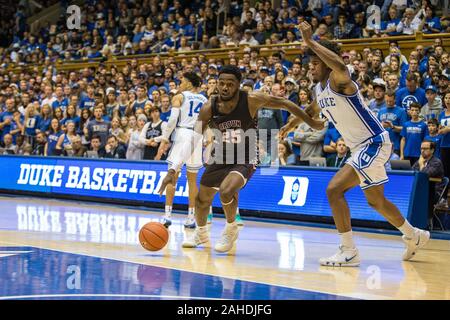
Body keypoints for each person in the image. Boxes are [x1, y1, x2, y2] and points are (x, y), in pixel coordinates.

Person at [281, 22, 430, 267]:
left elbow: (340, 65)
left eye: (316, 62)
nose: (311, 68)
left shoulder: (340, 80)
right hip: (362, 147)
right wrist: (290, 125)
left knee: (334, 190)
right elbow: (310, 109)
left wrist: (310, 42)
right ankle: (414, 235)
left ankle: (348, 250)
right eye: (310, 63)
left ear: (326, 62)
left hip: (372, 142)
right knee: (376, 201)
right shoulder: (320, 90)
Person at [158, 65, 322, 253]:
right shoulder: (208, 108)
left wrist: (308, 122)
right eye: (222, 83)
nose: (225, 88)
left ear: (238, 85)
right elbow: (192, 140)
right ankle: (201, 233)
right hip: (221, 155)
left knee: (227, 191)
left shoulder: (251, 99)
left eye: (230, 84)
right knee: (202, 199)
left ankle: (230, 228)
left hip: (247, 154)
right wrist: (173, 169)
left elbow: (285, 103)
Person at [154, 72, 208, 228]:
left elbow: (171, 121)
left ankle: (168, 215)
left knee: (173, 175)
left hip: (182, 133)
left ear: (189, 83)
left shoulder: (179, 97)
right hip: (197, 136)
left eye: (182, 81)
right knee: (192, 181)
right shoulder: (205, 100)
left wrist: (164, 138)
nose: (180, 84)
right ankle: (191, 218)